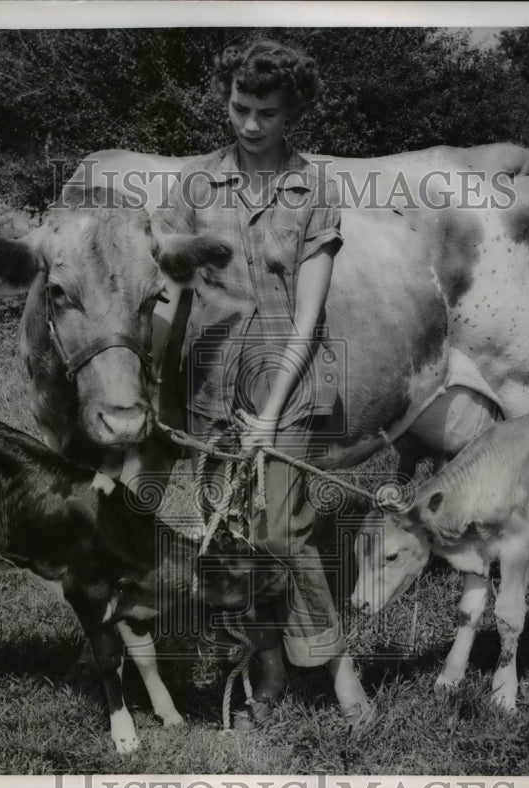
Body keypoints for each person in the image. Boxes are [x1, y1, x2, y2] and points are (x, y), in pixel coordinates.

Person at [154, 39, 370, 726]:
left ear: (292, 112)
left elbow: (308, 316)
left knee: (281, 528)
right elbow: (172, 298)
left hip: (293, 380)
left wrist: (272, 413)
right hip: (211, 380)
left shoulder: (315, 190)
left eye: (266, 113)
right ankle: (267, 670)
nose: (249, 125)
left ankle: (337, 670)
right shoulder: (192, 187)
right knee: (228, 537)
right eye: (239, 108)